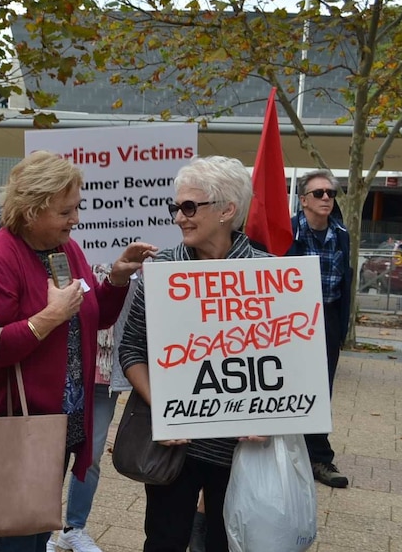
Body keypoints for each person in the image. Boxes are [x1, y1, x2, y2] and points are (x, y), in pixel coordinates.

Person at [0, 150, 156, 552]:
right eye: (65, 211)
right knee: (16, 538)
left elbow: (94, 317)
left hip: (60, 424)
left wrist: (116, 279)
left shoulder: (67, 249)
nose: (75, 219)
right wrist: (46, 319)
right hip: (20, 428)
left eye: (76, 208)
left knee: (36, 530)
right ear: (31, 210)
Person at [119, 156, 270, 552]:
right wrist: (165, 409)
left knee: (226, 543)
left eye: (189, 207)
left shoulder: (268, 274)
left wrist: (272, 416)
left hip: (241, 450)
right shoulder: (163, 269)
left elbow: (293, 364)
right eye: (177, 207)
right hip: (175, 450)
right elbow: (132, 349)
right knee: (164, 541)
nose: (179, 217)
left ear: (227, 210)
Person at [46, 264, 136, 552]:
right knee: (52, 456)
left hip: (105, 374)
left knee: (93, 454)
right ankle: (43, 529)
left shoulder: (137, 256)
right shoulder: (72, 249)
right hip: (68, 367)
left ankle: (74, 528)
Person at [286, 169, 352, 489]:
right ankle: (281, 454)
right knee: (285, 383)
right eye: (319, 193)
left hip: (325, 319)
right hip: (291, 321)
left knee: (319, 390)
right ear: (303, 200)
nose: (327, 198)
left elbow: (345, 283)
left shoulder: (341, 233)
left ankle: (319, 458)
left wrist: (340, 328)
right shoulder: (287, 231)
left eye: (331, 193)